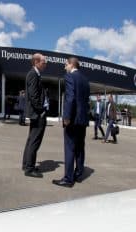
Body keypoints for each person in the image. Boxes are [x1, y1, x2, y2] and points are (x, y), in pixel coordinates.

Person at [52, 57, 90, 187]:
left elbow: (70, 98)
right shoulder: (85, 80)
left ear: (71, 65)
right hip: (82, 120)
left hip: (73, 120)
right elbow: (85, 101)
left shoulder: (69, 77)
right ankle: (79, 174)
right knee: (80, 147)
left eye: (65, 64)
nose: (64, 67)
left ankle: (68, 179)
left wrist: (66, 117)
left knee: (69, 148)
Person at [21, 53, 48, 178]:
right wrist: (41, 110)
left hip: (35, 113)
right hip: (37, 114)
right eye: (44, 62)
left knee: (31, 139)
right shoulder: (33, 74)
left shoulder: (35, 74)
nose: (45, 64)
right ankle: (30, 169)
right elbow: (33, 95)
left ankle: (27, 164)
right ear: (36, 62)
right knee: (34, 141)